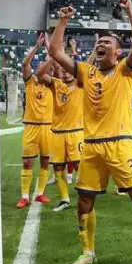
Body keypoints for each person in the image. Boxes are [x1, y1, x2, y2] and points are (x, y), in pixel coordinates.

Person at [47, 0, 132, 264]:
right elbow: (54, 51)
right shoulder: (86, 71)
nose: (101, 44)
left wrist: (130, 11)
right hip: (92, 148)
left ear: (118, 52)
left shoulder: (125, 70)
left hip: (119, 144)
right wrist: (63, 20)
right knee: (84, 201)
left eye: (107, 42)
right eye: (99, 42)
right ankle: (88, 253)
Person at [35, 50, 85, 213]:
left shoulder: (80, 83)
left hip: (76, 132)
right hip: (57, 133)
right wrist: (53, 57)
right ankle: (65, 199)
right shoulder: (55, 84)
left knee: (79, 166)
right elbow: (40, 73)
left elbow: (87, 65)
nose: (65, 72)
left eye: (68, 69)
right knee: (57, 168)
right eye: (62, 70)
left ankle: (86, 197)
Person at [16, 33, 54, 209]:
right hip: (31, 127)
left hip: (48, 128)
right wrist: (38, 46)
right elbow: (25, 64)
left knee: (45, 162)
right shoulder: (30, 82)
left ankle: (40, 193)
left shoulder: (53, 84)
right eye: (40, 66)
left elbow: (56, 59)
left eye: (46, 67)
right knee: (27, 162)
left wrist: (49, 47)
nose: (43, 69)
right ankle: (24, 196)